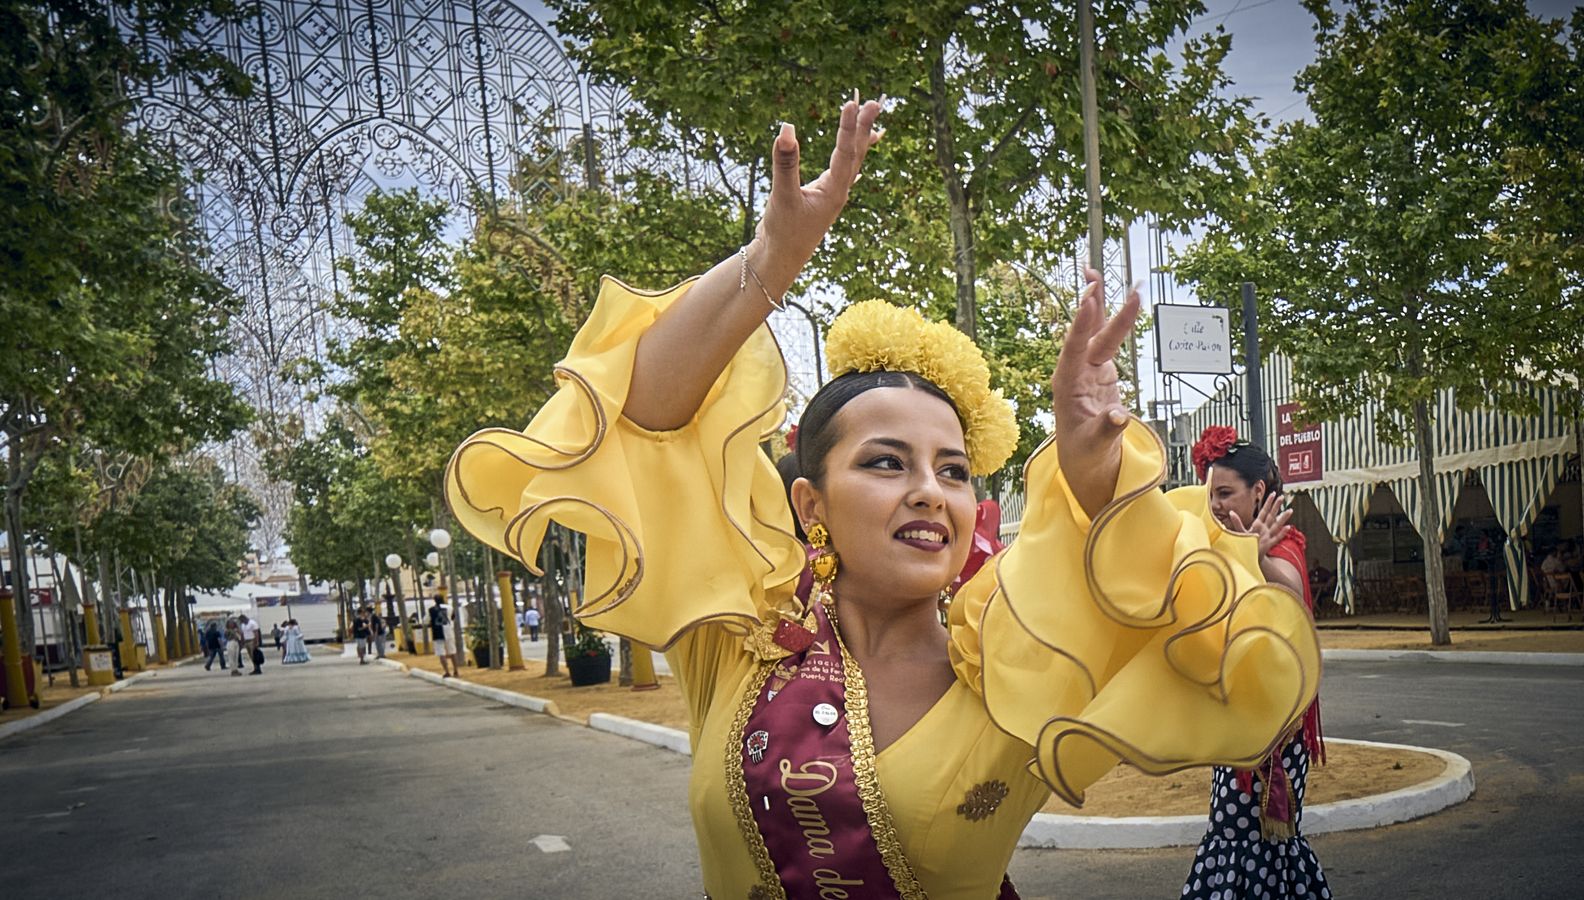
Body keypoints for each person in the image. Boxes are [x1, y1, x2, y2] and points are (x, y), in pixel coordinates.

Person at [443, 98, 1319, 898]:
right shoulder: (740, 640)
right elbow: (640, 420)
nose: (930, 493)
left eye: (952, 469)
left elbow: (1183, 615)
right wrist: (771, 262)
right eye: (887, 463)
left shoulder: (1011, 658)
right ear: (809, 505)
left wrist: (1095, 474)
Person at [1182, 426, 1330, 900]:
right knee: (1235, 833)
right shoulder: (1222, 543)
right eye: (1211, 495)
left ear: (1259, 491)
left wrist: (1257, 557)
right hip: (1239, 716)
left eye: (1225, 492)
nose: (1217, 504)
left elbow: (1292, 596)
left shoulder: (1283, 543)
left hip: (1275, 730)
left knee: (1256, 836)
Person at [428, 595, 457, 677]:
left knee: (441, 652)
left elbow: (426, 621)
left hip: (437, 632)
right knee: (452, 651)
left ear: (434, 601)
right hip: (448, 631)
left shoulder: (431, 610)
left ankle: (447, 671)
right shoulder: (449, 607)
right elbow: (453, 617)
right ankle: (456, 670)